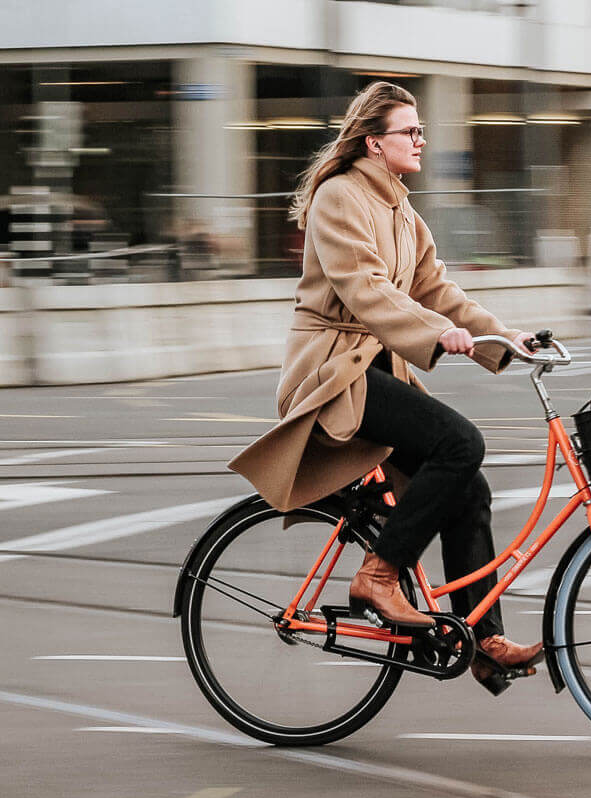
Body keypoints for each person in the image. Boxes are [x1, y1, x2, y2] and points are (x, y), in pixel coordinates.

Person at [228, 81, 544, 695]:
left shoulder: (402, 210)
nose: (421, 139)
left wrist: (506, 338)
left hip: (375, 368)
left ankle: (483, 640)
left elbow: (438, 291)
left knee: (469, 487)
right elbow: (366, 291)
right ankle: (379, 575)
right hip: (335, 369)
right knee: (461, 443)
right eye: (410, 131)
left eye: (421, 129)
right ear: (374, 142)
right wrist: (437, 334)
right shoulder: (339, 198)